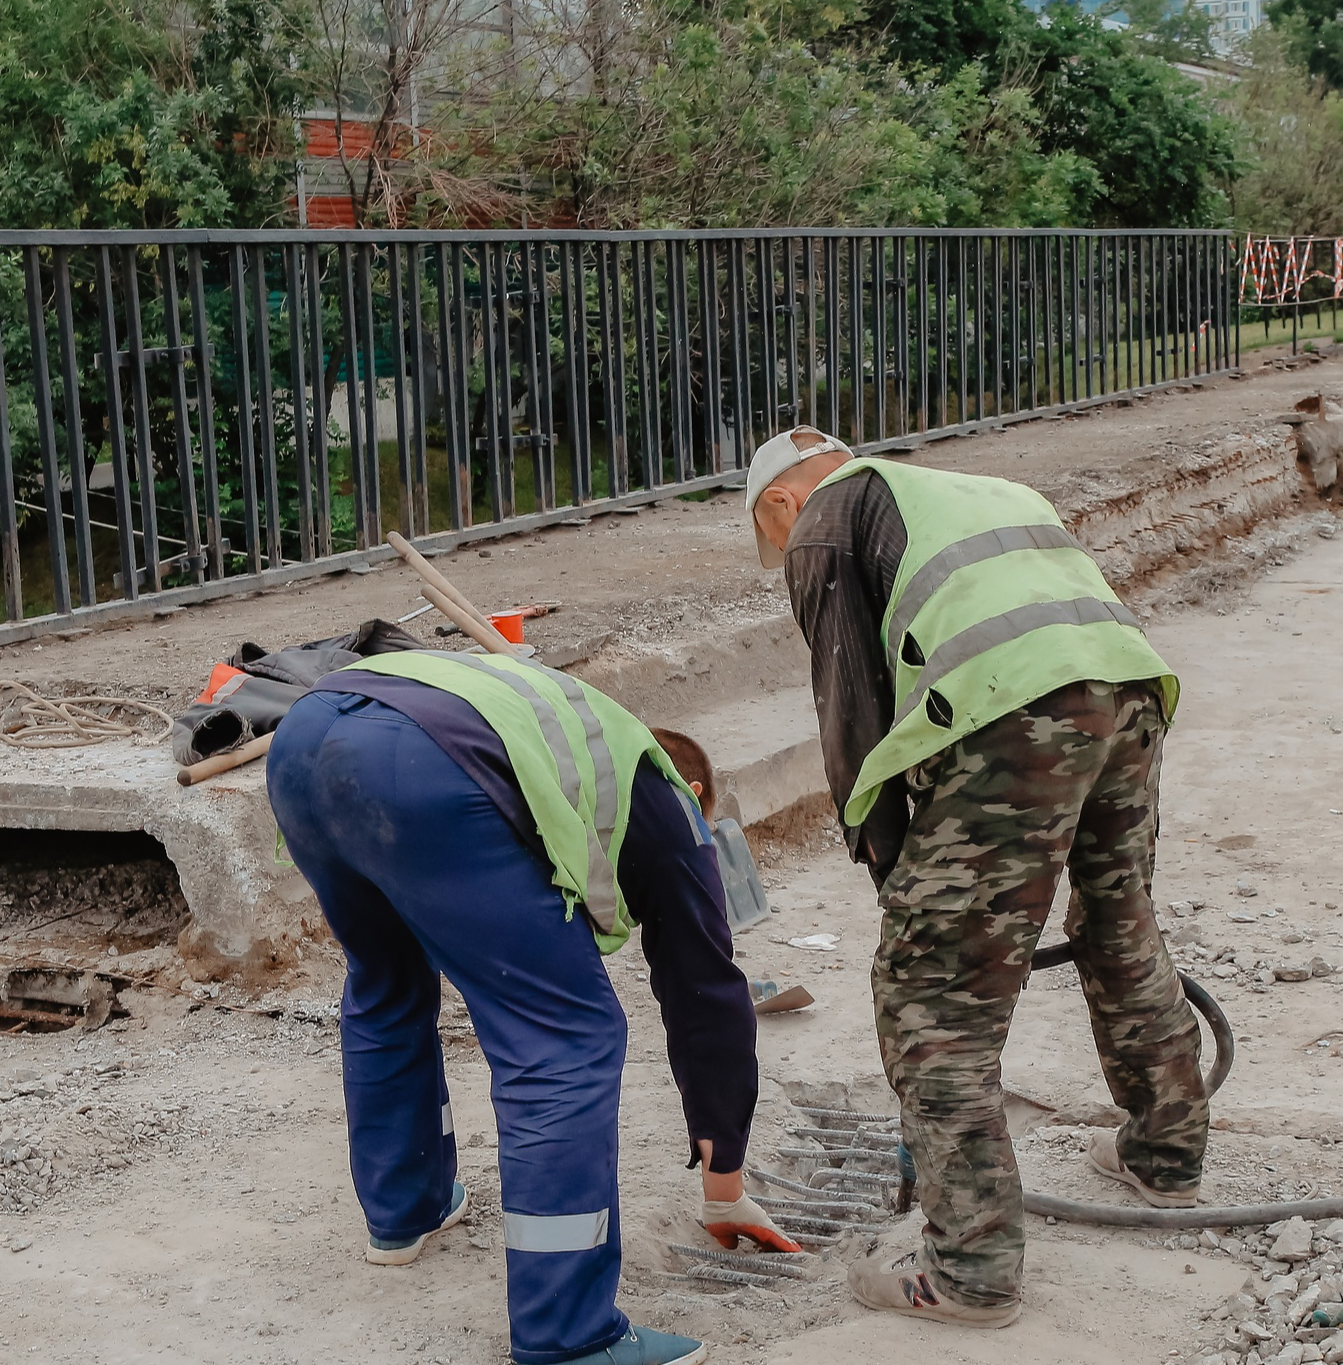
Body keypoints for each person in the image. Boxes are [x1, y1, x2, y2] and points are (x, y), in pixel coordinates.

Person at [744, 426, 1211, 1328]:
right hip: (1130, 691)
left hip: (1016, 711)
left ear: (780, 504)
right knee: (1119, 918)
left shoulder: (822, 523)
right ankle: (1166, 1159)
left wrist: (891, 865)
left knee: (933, 995)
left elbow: (851, 708)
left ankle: (969, 1270)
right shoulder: (969, 492)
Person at [266, 647, 797, 1365]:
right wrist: (725, 1183)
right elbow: (707, 994)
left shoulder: (571, 742)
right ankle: (569, 1334)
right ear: (695, 787)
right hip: (422, 765)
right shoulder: (672, 806)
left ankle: (406, 1211)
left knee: (385, 978)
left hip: (306, 739)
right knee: (566, 1040)